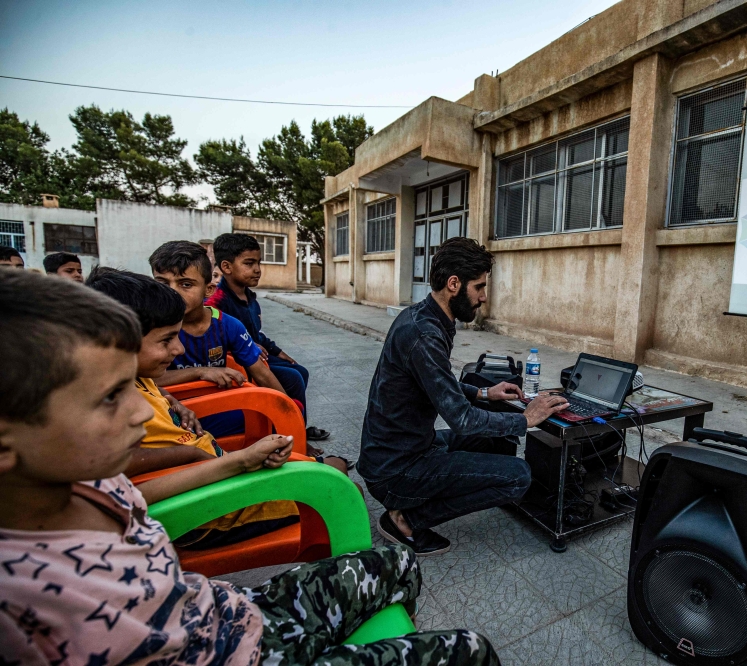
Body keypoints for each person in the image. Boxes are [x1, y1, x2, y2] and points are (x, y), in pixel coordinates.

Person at [0, 269, 501, 666]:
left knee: (399, 564)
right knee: (470, 649)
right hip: (244, 651)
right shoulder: (30, 602)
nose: (136, 410)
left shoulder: (83, 483)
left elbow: (144, 496)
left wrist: (237, 459)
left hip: (227, 615)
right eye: (110, 397)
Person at [359, 237, 568, 556]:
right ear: (454, 284)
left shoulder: (425, 318)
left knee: (493, 443)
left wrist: (485, 391)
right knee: (518, 477)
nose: (484, 297)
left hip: (409, 447)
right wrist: (525, 419)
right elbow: (462, 419)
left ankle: (419, 502)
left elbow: (438, 385)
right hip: (396, 469)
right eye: (479, 287)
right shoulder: (425, 334)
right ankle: (407, 520)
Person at [86, 267, 308, 549]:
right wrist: (222, 458)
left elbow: (156, 395)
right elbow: (124, 473)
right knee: (335, 485)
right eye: (167, 340)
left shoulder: (133, 378)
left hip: (218, 472)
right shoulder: (106, 410)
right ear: (115, 341)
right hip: (203, 508)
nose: (179, 349)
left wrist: (173, 402)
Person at [208, 233, 331, 444]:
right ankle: (290, 431)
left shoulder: (249, 297)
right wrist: (246, 344)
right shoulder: (217, 301)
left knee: (299, 369)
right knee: (293, 378)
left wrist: (276, 351)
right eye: (249, 263)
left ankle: (297, 424)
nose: (257, 269)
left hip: (259, 355)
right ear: (226, 267)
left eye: (258, 263)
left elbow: (256, 334)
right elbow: (213, 335)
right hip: (241, 362)